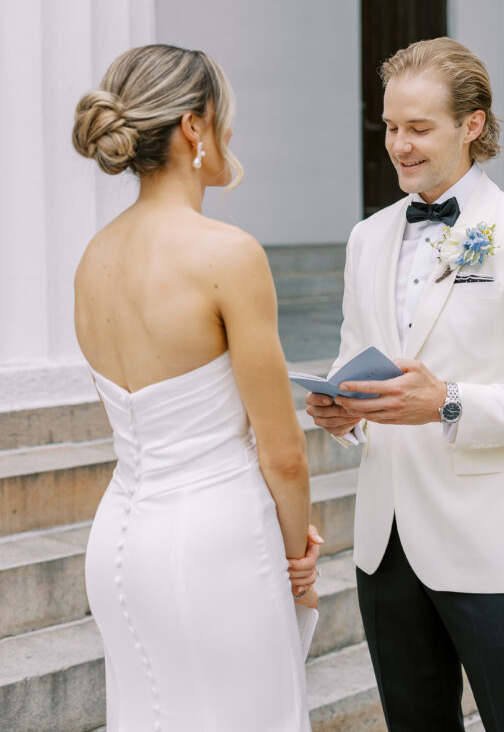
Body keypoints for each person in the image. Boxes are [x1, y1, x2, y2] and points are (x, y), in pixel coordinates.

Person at [307, 37, 504, 732]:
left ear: (471, 125)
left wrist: (449, 402)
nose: (399, 145)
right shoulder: (366, 237)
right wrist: (341, 412)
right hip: (385, 544)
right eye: (389, 127)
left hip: (487, 542)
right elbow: (363, 363)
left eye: (419, 128)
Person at [72, 44, 320, 732]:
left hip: (120, 538)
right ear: (194, 127)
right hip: (215, 542)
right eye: (225, 115)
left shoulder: (93, 257)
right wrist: (298, 554)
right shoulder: (226, 254)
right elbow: (284, 451)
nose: (230, 130)